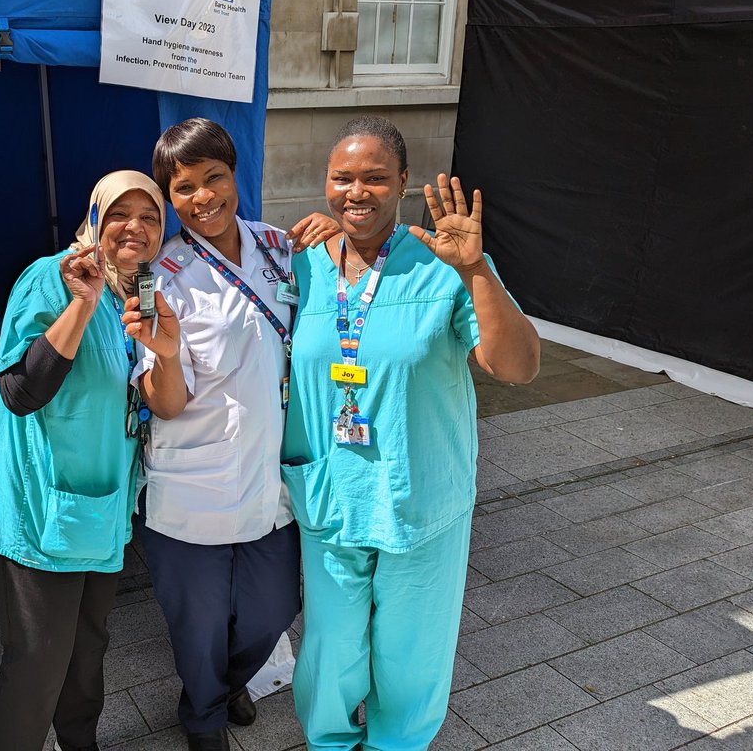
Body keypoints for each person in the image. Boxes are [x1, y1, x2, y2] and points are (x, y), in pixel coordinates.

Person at [280, 116, 540, 751]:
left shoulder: (445, 264)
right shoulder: (301, 267)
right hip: (330, 494)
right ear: (325, 183)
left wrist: (477, 271)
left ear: (402, 183)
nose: (356, 192)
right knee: (331, 647)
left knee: (411, 651)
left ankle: (397, 744)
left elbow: (519, 367)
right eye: (342, 178)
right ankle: (330, 742)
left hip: (419, 495)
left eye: (374, 178)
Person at [126, 118, 338, 751]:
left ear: (235, 173)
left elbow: (339, 301)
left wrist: (335, 237)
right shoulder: (161, 272)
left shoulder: (281, 247)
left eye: (213, 177)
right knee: (199, 625)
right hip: (190, 485)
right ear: (170, 197)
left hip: (268, 478)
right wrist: (164, 354)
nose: (203, 197)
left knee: (274, 609)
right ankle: (204, 717)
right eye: (184, 187)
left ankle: (219, 685)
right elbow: (165, 405)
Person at [0, 170, 182, 751]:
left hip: (102, 508)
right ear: (93, 220)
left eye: (150, 216)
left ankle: (78, 742)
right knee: (38, 659)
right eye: (120, 213)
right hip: (43, 508)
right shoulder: (53, 278)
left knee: (88, 648)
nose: (135, 227)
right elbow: (19, 392)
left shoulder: (137, 291)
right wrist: (81, 305)